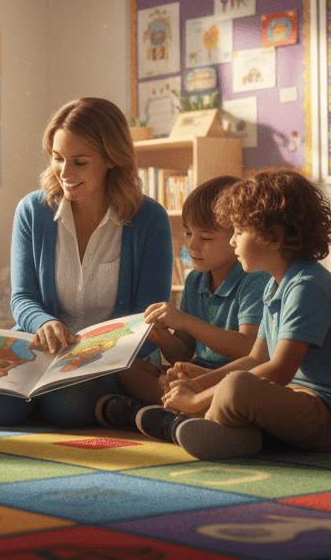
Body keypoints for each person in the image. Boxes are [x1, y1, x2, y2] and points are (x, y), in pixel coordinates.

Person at [118, 170, 331, 460]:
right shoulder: (275, 284)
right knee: (224, 381)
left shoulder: (307, 286)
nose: (233, 242)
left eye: (239, 233)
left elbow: (279, 370)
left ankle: (184, 421)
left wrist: (196, 398)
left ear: (272, 237)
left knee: (236, 386)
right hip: (298, 401)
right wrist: (201, 383)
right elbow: (257, 357)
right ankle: (224, 433)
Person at [0, 96, 172, 427]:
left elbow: (147, 313)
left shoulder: (149, 218)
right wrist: (42, 323)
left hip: (110, 358)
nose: (65, 172)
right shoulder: (33, 210)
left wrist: (93, 355)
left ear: (112, 159)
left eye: (79, 162)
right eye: (57, 158)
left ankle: (51, 402)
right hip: (40, 349)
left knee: (70, 406)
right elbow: (22, 297)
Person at [96, 175, 269, 429]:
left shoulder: (254, 279)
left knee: (234, 388)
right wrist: (165, 338)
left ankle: (173, 412)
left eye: (206, 238)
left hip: (233, 376)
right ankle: (186, 410)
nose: (192, 246)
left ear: (238, 237)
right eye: (188, 233)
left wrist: (187, 321)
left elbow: (248, 349)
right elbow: (184, 352)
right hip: (196, 373)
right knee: (127, 369)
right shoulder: (195, 281)